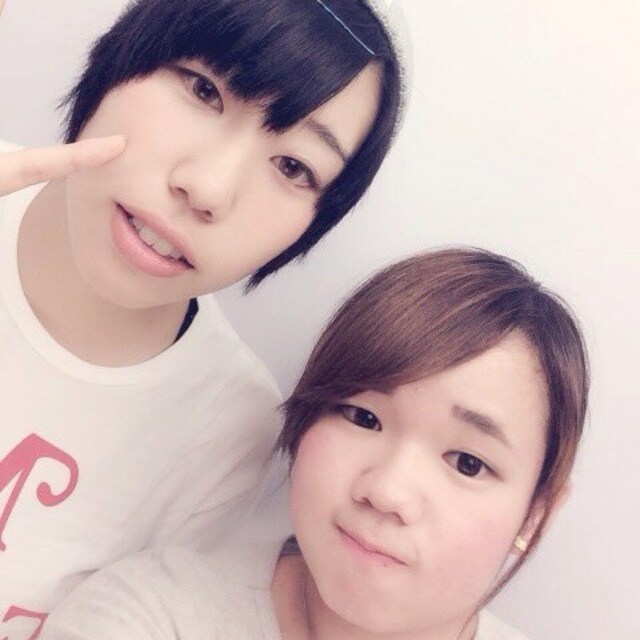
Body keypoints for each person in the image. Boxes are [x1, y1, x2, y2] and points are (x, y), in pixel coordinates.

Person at [0, 0, 403, 634]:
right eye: (204, 90)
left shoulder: (228, 427)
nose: (209, 188)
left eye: (293, 166)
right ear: (123, 53)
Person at [43, 247, 589, 640]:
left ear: (536, 514)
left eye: (467, 462)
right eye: (363, 417)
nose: (388, 492)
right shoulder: (151, 616)